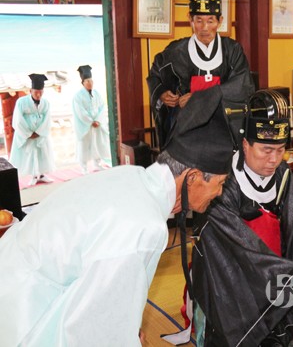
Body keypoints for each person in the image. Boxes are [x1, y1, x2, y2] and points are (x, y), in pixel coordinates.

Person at [0, 87, 234, 346]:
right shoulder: (145, 226)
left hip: (15, 273)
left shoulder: (131, 177)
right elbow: (90, 329)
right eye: (221, 182)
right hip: (24, 308)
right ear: (192, 177)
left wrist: (124, 325)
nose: (221, 192)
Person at [191, 90, 293, 347]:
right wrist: (292, 278)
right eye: (266, 150)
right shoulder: (221, 185)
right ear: (245, 145)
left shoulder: (282, 175)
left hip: (277, 280)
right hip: (234, 286)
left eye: (280, 150)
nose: (274, 160)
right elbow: (241, 249)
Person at [146, 0, 254, 149]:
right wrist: (161, 93)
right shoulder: (176, 52)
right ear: (190, 19)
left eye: (210, 21)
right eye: (198, 20)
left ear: (220, 20)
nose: (204, 28)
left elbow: (242, 86)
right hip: (188, 135)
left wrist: (199, 98)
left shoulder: (232, 51)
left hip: (225, 132)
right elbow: (155, 75)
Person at [9, 73, 55, 186]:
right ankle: (34, 176)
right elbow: (18, 119)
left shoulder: (46, 103)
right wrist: (29, 133)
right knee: (30, 155)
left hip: (40, 134)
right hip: (27, 134)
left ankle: (42, 174)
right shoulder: (21, 102)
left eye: (41, 92)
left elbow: (47, 119)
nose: (38, 95)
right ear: (30, 91)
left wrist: (39, 132)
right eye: (36, 92)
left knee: (42, 153)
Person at [72, 65, 111, 174]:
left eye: (91, 81)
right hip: (86, 126)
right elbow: (80, 111)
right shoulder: (78, 96)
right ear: (83, 83)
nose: (90, 83)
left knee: (97, 143)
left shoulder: (97, 94)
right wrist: (90, 121)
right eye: (87, 81)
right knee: (84, 146)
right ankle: (84, 167)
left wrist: (98, 120)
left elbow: (102, 108)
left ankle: (97, 163)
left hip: (97, 124)